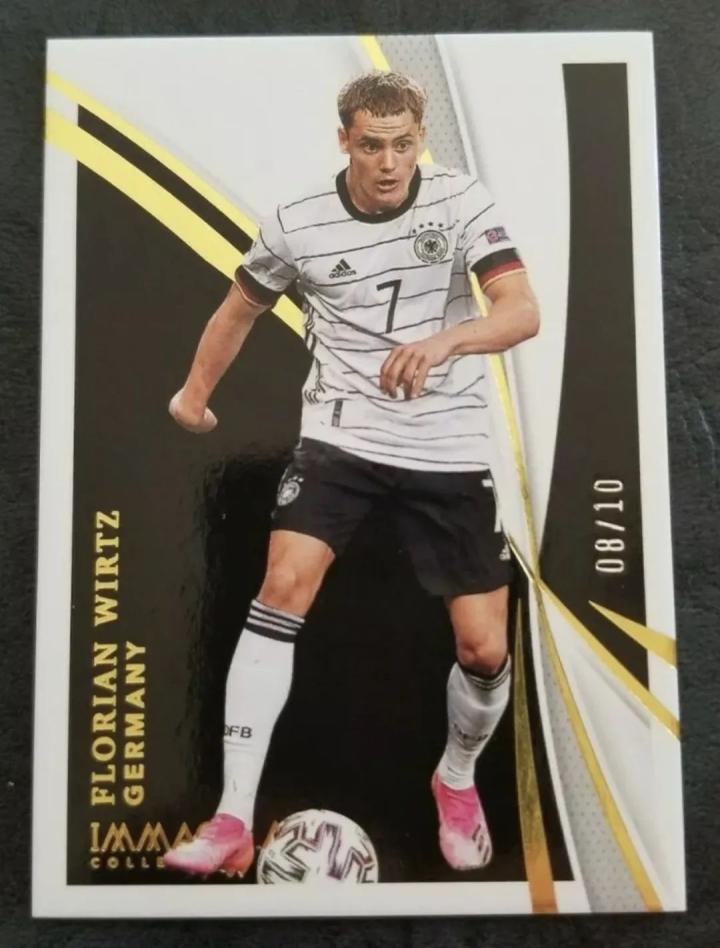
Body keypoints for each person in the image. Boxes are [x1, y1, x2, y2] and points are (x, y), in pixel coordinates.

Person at [163, 71, 539, 879]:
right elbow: (238, 309)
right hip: (342, 435)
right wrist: (194, 395)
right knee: (281, 587)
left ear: (420, 139)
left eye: (404, 144)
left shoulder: (460, 201)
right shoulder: (296, 222)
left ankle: (455, 779)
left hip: (447, 443)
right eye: (372, 145)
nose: (390, 162)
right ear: (345, 140)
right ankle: (231, 818)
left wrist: (445, 341)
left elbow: (521, 311)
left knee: (483, 649)